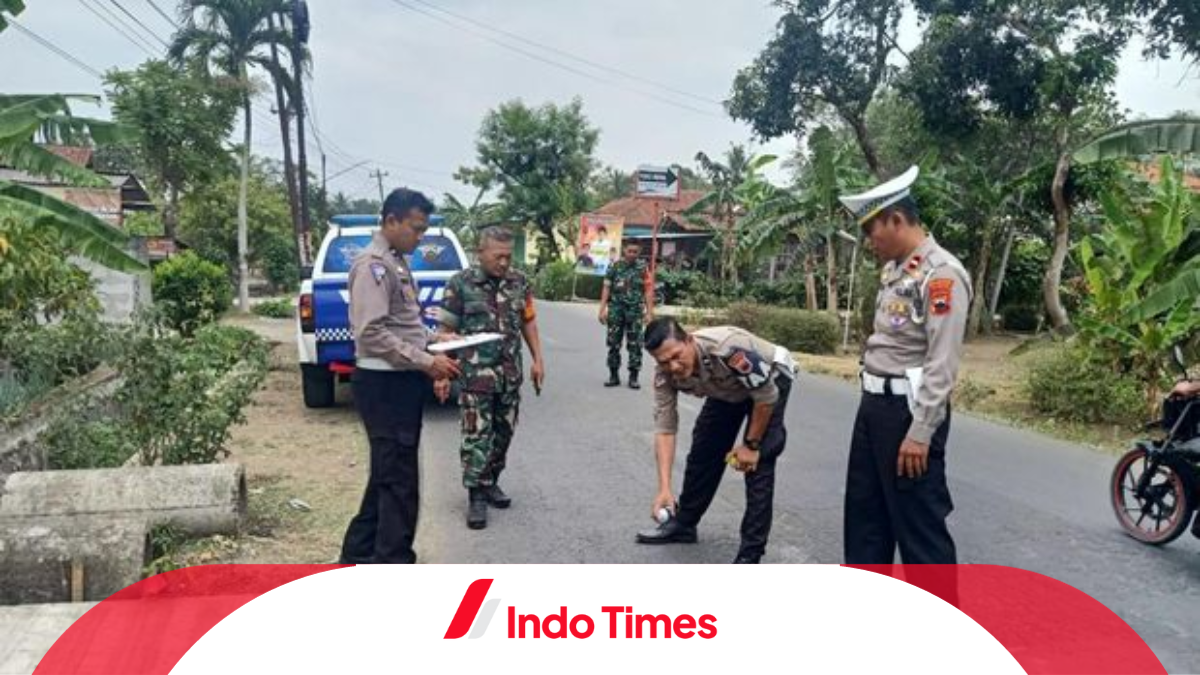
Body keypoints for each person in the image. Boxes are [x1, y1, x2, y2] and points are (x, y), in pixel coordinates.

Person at [837, 166, 972, 567]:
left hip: (908, 414)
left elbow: (942, 360)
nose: (869, 242)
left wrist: (921, 431)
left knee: (919, 529)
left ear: (896, 220)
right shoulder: (897, 270)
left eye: (871, 231)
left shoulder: (941, 275)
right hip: (874, 408)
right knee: (864, 520)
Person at [338, 188, 462, 564]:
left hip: (396, 382)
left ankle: (357, 554)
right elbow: (371, 333)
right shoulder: (373, 265)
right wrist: (427, 362)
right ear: (391, 221)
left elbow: (401, 325)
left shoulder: (395, 261)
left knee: (386, 475)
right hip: (385, 385)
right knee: (398, 481)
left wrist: (433, 339)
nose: (419, 236)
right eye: (415, 228)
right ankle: (392, 561)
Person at [635, 318, 796, 564]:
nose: (674, 366)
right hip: (727, 388)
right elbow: (665, 428)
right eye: (664, 362)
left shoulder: (730, 349)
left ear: (689, 339)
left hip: (769, 381)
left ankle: (750, 554)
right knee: (704, 451)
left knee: (756, 465)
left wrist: (751, 446)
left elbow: (765, 396)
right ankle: (684, 525)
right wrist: (665, 489)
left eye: (677, 356)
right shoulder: (665, 373)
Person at [438, 227, 546, 530]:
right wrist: (443, 373)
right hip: (474, 376)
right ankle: (476, 496)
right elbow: (446, 332)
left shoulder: (519, 282)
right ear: (480, 252)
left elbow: (528, 321)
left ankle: (491, 480)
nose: (503, 262)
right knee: (476, 436)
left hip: (509, 374)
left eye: (508, 256)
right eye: (498, 256)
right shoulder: (460, 284)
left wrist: (538, 359)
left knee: (504, 432)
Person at [599, 241, 653, 389]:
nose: (632, 254)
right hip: (616, 310)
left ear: (639, 252)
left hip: (635, 312)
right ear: (624, 250)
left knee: (635, 345)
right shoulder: (614, 266)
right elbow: (606, 287)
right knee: (613, 344)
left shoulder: (643, 268)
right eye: (630, 251)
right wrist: (602, 309)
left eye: (635, 252)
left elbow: (648, 290)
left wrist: (649, 312)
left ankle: (633, 378)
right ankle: (613, 376)